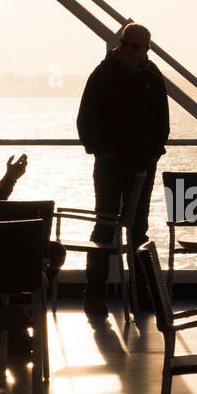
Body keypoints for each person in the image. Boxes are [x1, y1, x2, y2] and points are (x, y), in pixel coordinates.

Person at [76, 22, 169, 322]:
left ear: (146, 50)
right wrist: (99, 150)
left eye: (134, 46)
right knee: (105, 226)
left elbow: (161, 122)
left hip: (141, 165)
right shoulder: (103, 74)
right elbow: (85, 117)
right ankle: (95, 295)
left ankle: (141, 293)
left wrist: (153, 153)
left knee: (137, 227)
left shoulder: (152, 78)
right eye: (125, 43)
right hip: (111, 164)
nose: (127, 50)